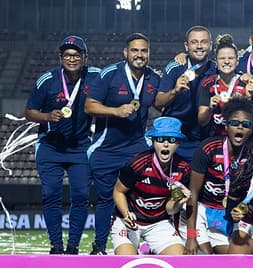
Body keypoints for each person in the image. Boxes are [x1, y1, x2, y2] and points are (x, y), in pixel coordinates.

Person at [85, 33, 160, 255]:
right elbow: (89, 106)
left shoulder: (153, 78)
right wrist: (115, 111)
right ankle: (99, 247)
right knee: (106, 200)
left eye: (144, 50)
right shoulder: (109, 74)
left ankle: (145, 243)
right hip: (106, 149)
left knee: (142, 196)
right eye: (135, 50)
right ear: (125, 52)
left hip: (137, 148)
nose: (139, 54)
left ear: (149, 53)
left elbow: (162, 103)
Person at [25, 35, 99, 254]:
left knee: (81, 197)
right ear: (60, 58)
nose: (72, 59)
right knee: (51, 195)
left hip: (80, 147)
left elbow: (120, 75)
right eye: (67, 55)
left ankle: (73, 246)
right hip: (50, 147)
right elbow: (29, 112)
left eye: (76, 55)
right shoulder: (47, 80)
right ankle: (56, 245)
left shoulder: (95, 76)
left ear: (85, 57)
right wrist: (47, 116)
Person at [111, 117, 190, 256]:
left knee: (179, 259)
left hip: (158, 223)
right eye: (160, 139)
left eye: (171, 140)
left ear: (178, 143)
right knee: (126, 260)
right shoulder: (137, 164)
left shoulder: (183, 169)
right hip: (129, 220)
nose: (166, 144)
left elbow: (170, 209)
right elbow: (118, 191)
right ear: (153, 141)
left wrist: (179, 202)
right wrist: (126, 214)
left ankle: (149, 251)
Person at [184, 98, 253, 255]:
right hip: (201, 211)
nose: (240, 127)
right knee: (204, 257)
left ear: (251, 129)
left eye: (246, 124)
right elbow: (192, 193)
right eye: (234, 123)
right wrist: (191, 236)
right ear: (226, 126)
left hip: (226, 214)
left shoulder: (251, 154)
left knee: (230, 259)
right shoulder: (208, 148)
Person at [155, 25, 217, 159]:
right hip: (174, 136)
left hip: (204, 136)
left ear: (210, 46)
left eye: (204, 42)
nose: (199, 46)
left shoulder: (217, 69)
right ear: (186, 46)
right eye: (194, 42)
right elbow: (159, 102)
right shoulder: (175, 68)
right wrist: (175, 91)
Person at [198, 34, 250, 137]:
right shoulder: (208, 84)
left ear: (237, 61)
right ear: (216, 62)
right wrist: (210, 108)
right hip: (215, 138)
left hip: (240, 138)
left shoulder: (246, 83)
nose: (226, 62)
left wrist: (248, 98)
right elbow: (202, 122)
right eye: (222, 58)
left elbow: (251, 120)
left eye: (231, 58)